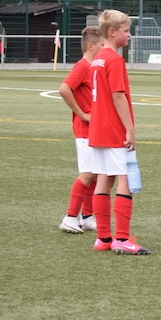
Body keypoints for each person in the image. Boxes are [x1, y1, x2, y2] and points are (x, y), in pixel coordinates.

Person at [88, 9, 149, 255]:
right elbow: (118, 96)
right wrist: (130, 129)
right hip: (113, 130)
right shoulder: (114, 60)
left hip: (98, 130)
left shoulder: (98, 59)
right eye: (126, 30)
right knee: (126, 180)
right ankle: (122, 238)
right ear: (112, 32)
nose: (129, 35)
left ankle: (103, 238)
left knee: (104, 178)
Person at [57, 26, 102, 234]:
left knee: (95, 173)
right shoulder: (82, 66)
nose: (104, 48)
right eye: (102, 45)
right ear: (91, 46)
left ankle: (86, 216)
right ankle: (70, 217)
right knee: (88, 173)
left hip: (96, 128)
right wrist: (82, 114)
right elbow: (64, 88)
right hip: (85, 129)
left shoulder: (94, 67)